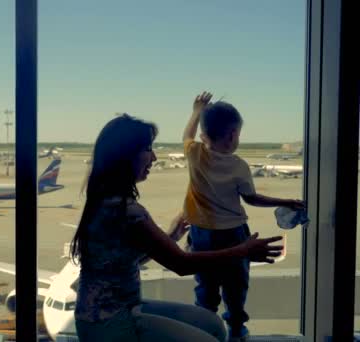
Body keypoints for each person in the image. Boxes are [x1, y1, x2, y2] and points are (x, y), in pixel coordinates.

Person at [71, 113, 284, 342]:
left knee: (212, 323)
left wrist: (171, 236)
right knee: (213, 334)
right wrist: (244, 250)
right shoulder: (126, 211)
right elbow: (181, 264)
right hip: (110, 322)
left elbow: (123, 259)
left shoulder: (105, 199)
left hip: (113, 309)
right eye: (147, 149)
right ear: (125, 156)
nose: (153, 158)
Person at [182, 92, 304, 341]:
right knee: (235, 285)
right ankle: (236, 328)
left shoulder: (195, 155)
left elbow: (186, 136)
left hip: (202, 234)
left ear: (204, 135)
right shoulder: (239, 166)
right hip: (233, 234)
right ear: (233, 135)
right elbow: (252, 199)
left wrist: (196, 111)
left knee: (206, 285)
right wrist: (287, 201)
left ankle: (205, 327)